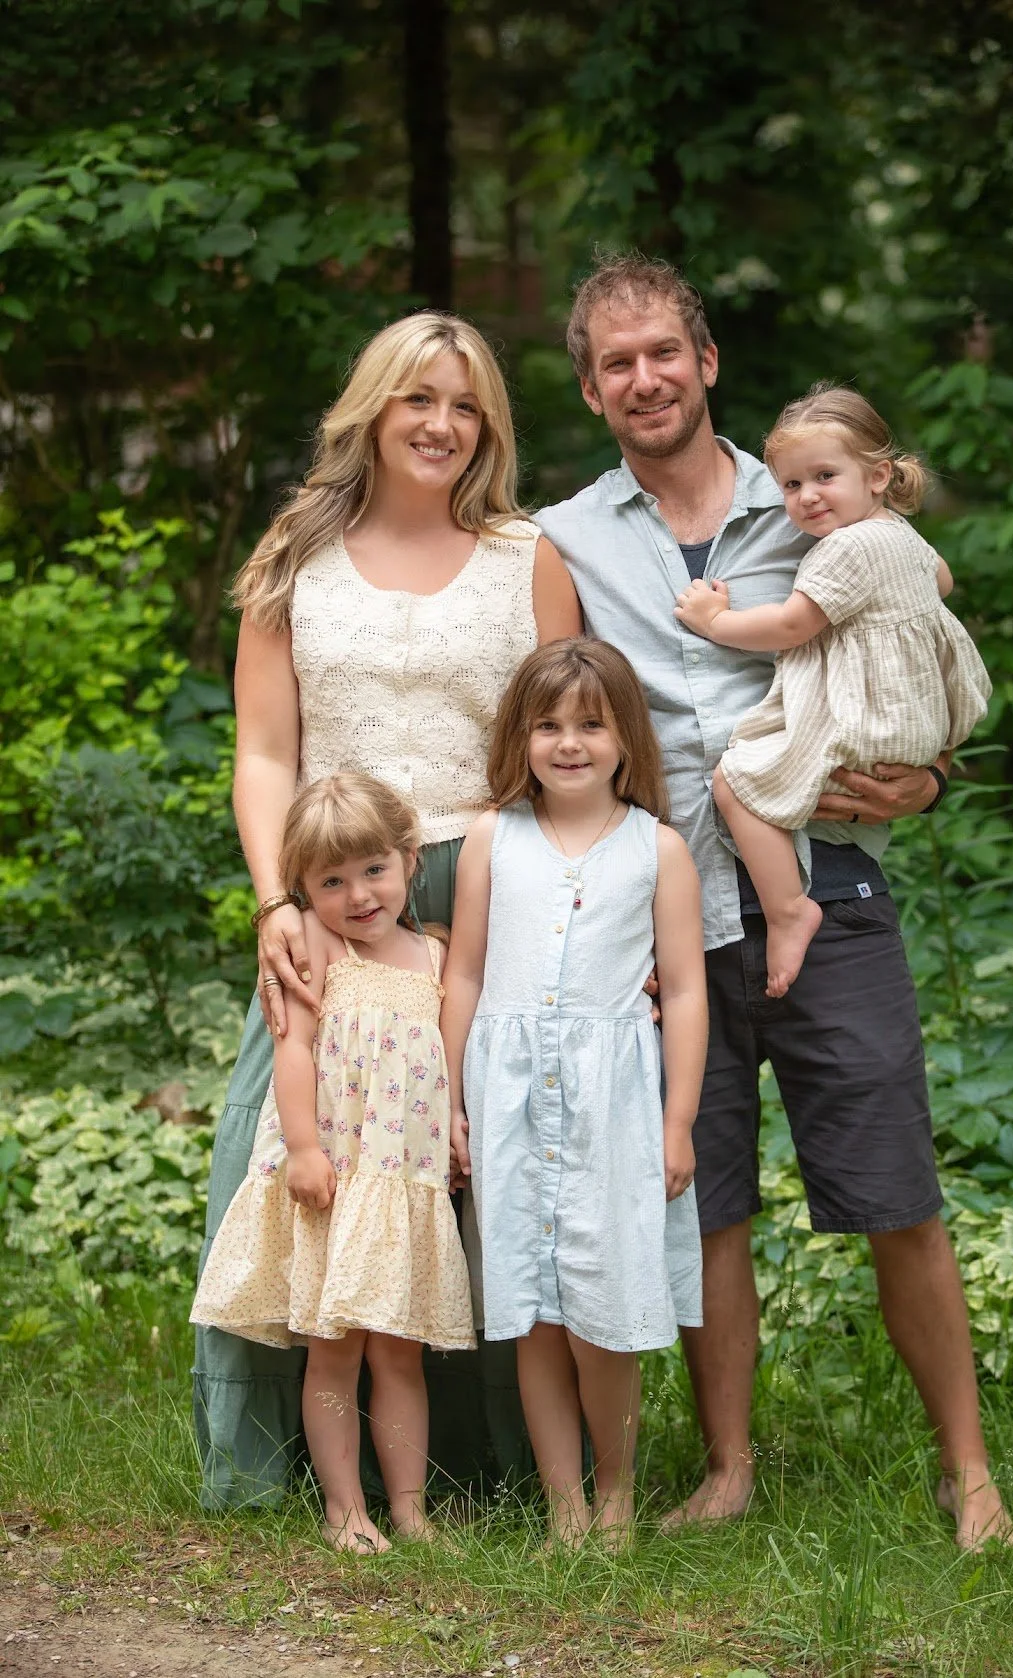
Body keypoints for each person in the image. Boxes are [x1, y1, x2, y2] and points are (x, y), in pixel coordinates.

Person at [535, 255, 1013, 1549]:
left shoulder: (817, 498)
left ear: (704, 363)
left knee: (894, 1183)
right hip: (661, 922)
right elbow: (547, 728)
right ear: (591, 390)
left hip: (828, 888)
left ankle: (968, 1475)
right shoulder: (567, 540)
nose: (643, 377)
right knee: (708, 1197)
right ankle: (729, 1464)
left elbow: (917, 646)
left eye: (662, 352)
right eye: (614, 361)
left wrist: (923, 781)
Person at [194, 309, 582, 1509]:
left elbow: (558, 746)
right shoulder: (292, 557)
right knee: (285, 1148)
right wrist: (276, 905)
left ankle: (480, 1469)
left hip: (478, 882)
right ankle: (277, 1463)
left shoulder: (528, 557)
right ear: (373, 407)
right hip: (329, 888)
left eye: (467, 405)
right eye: (419, 397)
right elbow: (265, 751)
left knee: (469, 1162)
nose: (442, 424)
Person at [440, 639, 707, 1544]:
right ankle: (563, 1508)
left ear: (625, 737)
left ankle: (618, 1496)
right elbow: (467, 977)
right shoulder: (493, 838)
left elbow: (688, 990)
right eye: (547, 724)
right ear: (520, 737)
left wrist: (678, 1123)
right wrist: (453, 1103)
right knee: (533, 1316)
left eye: (591, 724)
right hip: (511, 1099)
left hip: (614, 1111)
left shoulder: (658, 849)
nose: (568, 743)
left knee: (605, 1316)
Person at [192, 774, 474, 1550]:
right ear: (302, 891)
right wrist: (306, 1149)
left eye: (374, 870)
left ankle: (410, 1509)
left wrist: (453, 1119)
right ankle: (344, 1510)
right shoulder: (318, 946)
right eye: (332, 881)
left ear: (410, 860)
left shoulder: (435, 954)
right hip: (338, 1184)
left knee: (402, 1356)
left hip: (403, 1188)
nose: (358, 895)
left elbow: (443, 1059)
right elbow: (295, 1052)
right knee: (334, 1356)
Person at [674, 383, 991, 999]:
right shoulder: (900, 534)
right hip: (919, 721)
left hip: (865, 723)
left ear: (877, 476)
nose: (807, 496)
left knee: (734, 785)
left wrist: (714, 621)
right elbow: (943, 582)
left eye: (824, 476)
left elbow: (792, 625)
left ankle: (790, 908)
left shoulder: (844, 548)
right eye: (791, 485)